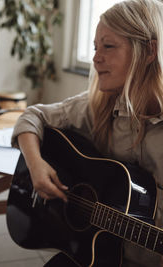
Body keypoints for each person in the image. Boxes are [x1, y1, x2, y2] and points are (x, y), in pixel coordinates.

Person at [11, 0, 163, 266]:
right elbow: (32, 116)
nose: (95, 58)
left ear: (149, 51)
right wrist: (36, 165)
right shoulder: (99, 106)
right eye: (95, 47)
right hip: (100, 252)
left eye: (108, 45)